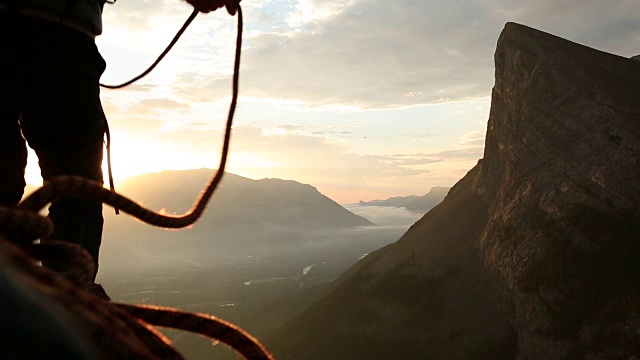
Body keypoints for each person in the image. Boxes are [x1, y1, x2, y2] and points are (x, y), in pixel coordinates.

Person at [0, 0, 229, 299]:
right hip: (63, 40)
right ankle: (70, 293)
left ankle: (53, 289)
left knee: (17, 178)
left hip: (55, 38)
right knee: (77, 184)